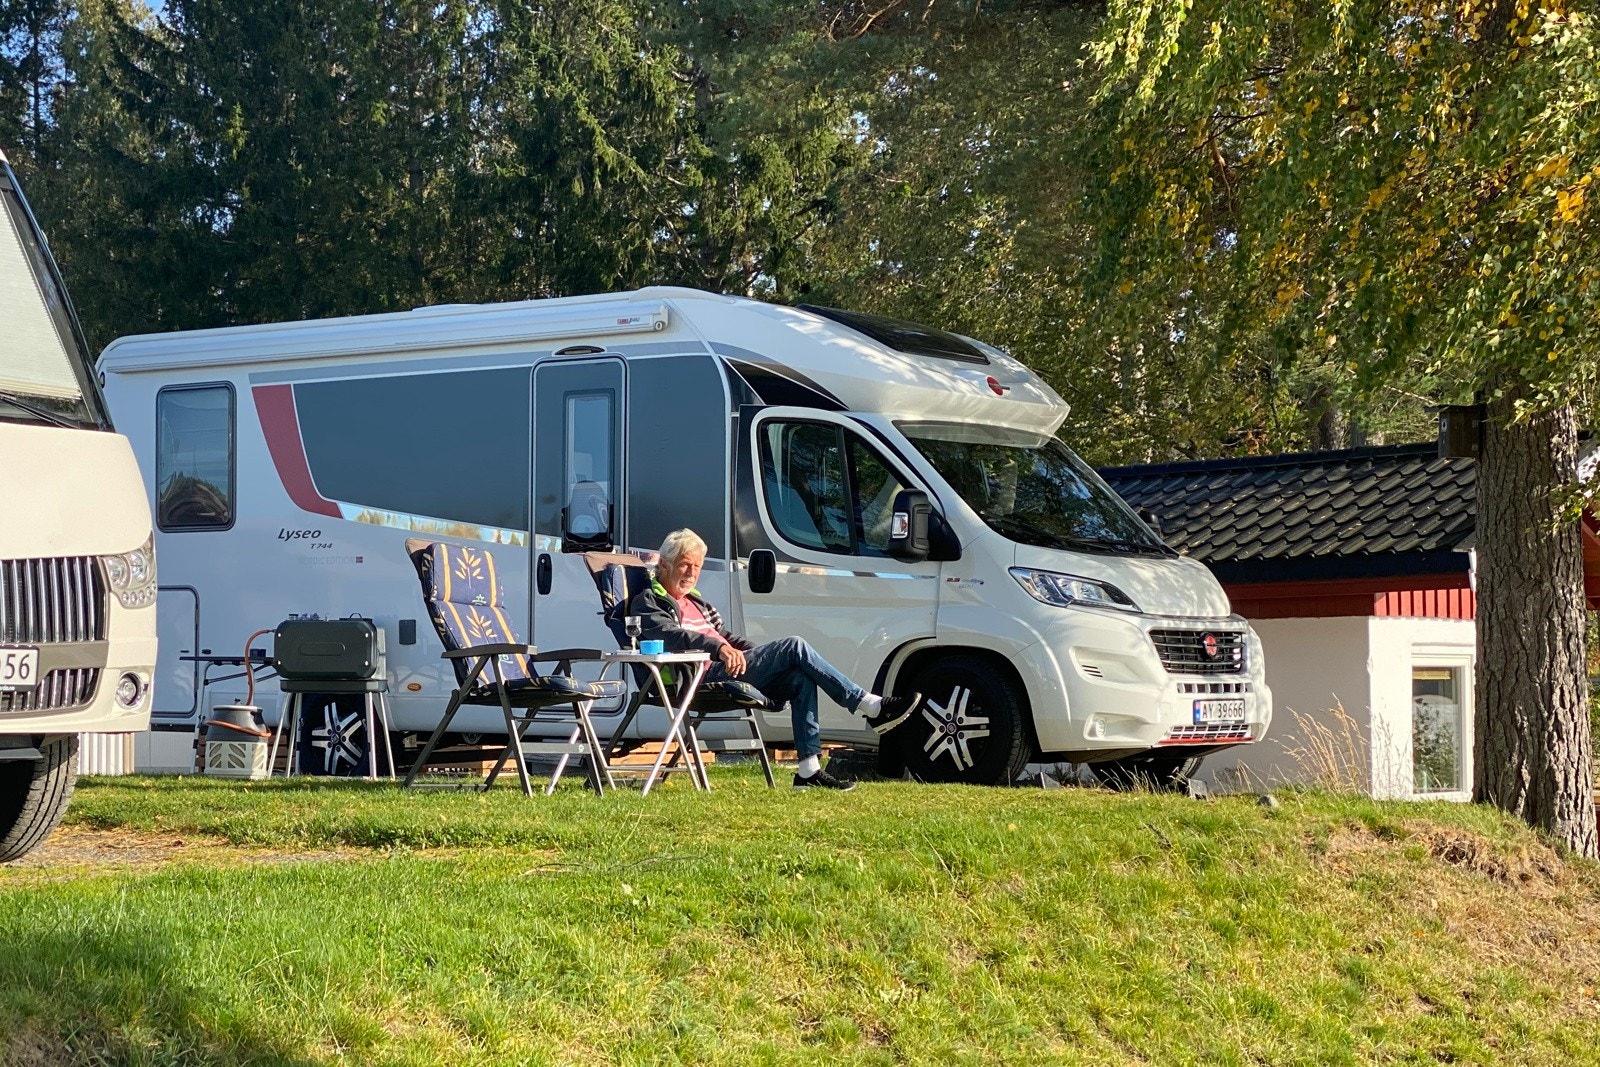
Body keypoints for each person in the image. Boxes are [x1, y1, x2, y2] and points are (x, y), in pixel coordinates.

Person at [629, 528, 922, 791]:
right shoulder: (649, 601)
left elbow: (727, 637)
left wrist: (759, 655)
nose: (692, 573)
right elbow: (670, 635)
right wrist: (721, 650)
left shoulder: (696, 601)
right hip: (696, 678)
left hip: (728, 667)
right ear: (664, 565)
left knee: (799, 676)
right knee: (794, 645)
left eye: (697, 566)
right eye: (684, 565)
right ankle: (868, 705)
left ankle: (808, 770)